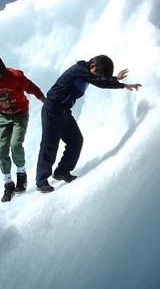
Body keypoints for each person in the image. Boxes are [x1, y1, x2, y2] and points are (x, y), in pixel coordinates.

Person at [35, 55, 141, 193]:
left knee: (76, 141)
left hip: (65, 112)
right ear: (93, 67)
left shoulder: (87, 72)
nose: (99, 77)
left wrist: (115, 78)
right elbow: (100, 82)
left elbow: (98, 78)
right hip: (53, 111)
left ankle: (62, 172)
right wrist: (122, 85)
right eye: (99, 74)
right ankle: (41, 181)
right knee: (49, 145)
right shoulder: (79, 70)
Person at [0, 53, 46, 202]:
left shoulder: (15, 76)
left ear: (0, 71)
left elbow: (32, 88)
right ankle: (8, 185)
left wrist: (46, 102)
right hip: (4, 116)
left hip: (20, 114)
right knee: (1, 150)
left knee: (15, 145)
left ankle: (21, 175)